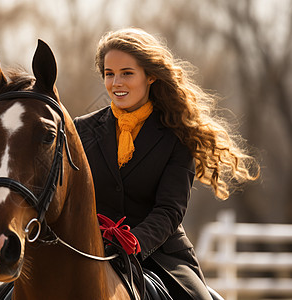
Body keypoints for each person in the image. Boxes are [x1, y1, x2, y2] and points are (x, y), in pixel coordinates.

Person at [74, 28, 259, 299]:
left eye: (127, 73)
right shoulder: (81, 129)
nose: (116, 83)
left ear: (150, 76)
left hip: (159, 255)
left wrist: (132, 243)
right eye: (109, 74)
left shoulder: (177, 134)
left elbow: (169, 210)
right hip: (90, 250)